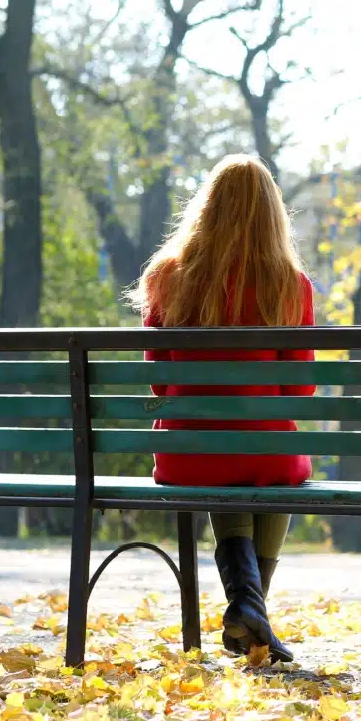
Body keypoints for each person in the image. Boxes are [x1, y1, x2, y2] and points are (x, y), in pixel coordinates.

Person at [126, 154, 313, 664]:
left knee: (221, 445)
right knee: (268, 456)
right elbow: (300, 392)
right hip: (267, 455)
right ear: (273, 214)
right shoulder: (288, 284)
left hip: (187, 452)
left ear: (204, 209)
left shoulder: (168, 276)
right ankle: (250, 612)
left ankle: (249, 615)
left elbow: (159, 381)